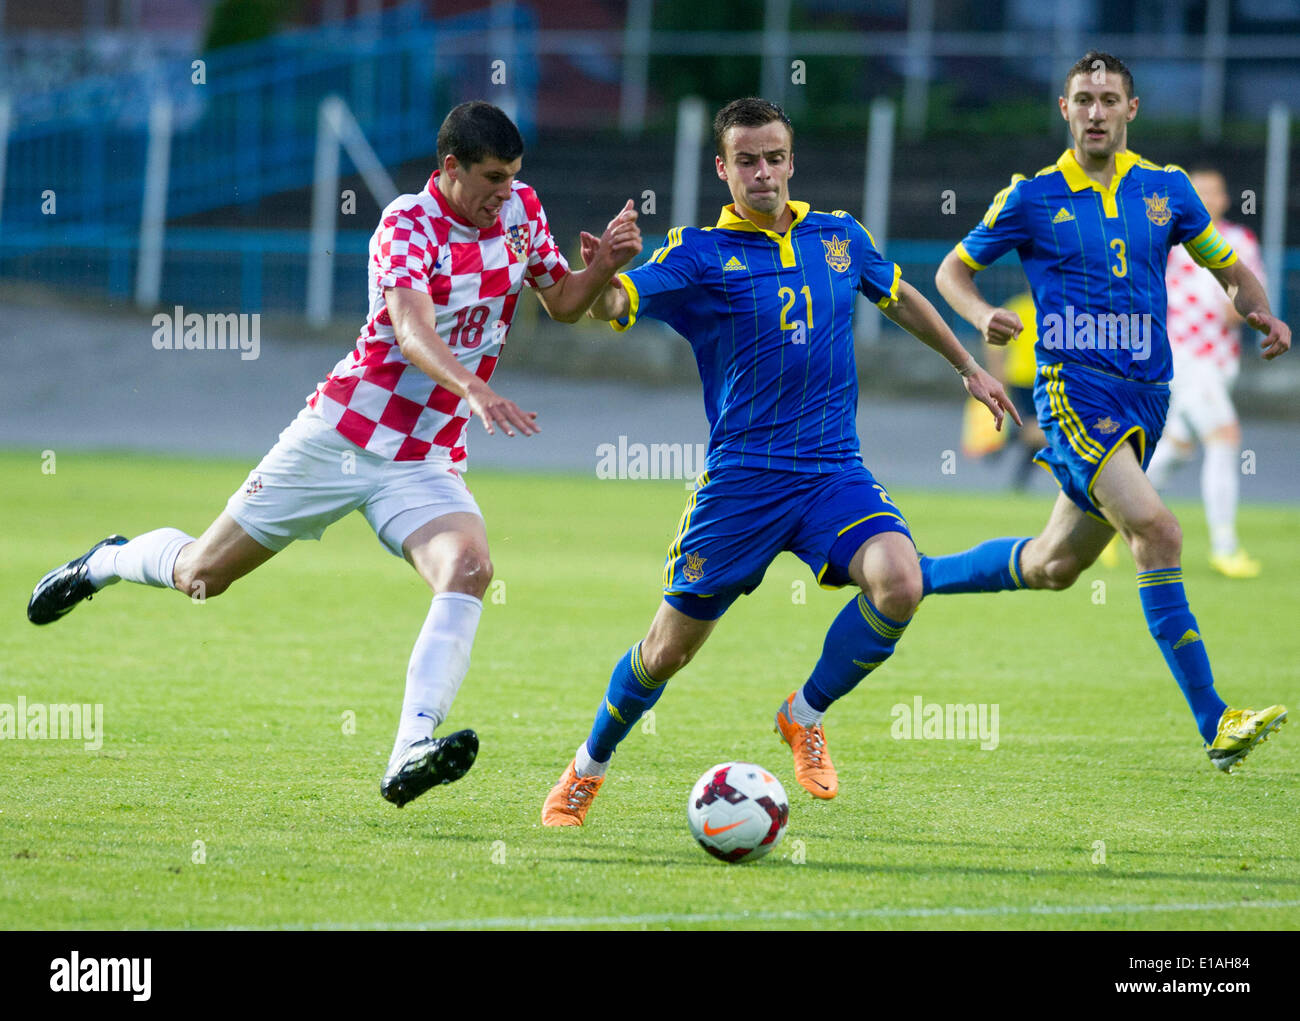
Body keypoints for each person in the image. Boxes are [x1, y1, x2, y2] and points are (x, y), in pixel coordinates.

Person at [27, 101, 643, 807]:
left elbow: (563, 302)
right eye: (492, 179)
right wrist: (473, 385)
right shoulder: (406, 225)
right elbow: (411, 331)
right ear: (449, 169)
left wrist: (606, 270)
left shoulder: (522, 211)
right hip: (342, 435)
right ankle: (103, 560)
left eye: (513, 179)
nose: (504, 194)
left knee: (470, 568)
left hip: (424, 456)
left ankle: (410, 749)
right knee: (203, 574)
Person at [540, 97, 1019, 826]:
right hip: (743, 482)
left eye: (773, 158)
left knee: (899, 580)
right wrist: (605, 270)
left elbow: (898, 298)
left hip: (833, 468)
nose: (762, 173)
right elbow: (612, 307)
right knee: (666, 652)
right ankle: (587, 768)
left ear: (791, 162)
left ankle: (804, 714)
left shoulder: (839, 236)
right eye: (746, 160)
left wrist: (967, 366)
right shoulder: (697, 252)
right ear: (722, 168)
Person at [922, 52, 1289, 771]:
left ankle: (914, 573)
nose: (1095, 111)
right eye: (1083, 98)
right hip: (1073, 393)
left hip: (1146, 398)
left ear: (1131, 110)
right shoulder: (1030, 197)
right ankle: (1216, 721)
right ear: (1065, 109)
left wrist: (1262, 312)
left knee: (1054, 563)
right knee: (1158, 529)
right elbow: (950, 272)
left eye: (1108, 99)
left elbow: (1227, 267)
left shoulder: (1167, 190)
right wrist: (980, 312)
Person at [1146, 168, 1266, 578]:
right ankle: (1225, 547)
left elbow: (1250, 299)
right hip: (1185, 359)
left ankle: (1103, 522)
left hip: (1221, 363)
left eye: (1214, 191)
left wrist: (1245, 309)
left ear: (1225, 198)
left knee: (1176, 448)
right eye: (1198, 192)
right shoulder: (1171, 242)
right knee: (1225, 436)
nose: (1207, 198)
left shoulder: (1239, 241)